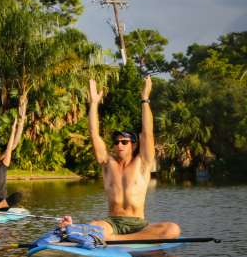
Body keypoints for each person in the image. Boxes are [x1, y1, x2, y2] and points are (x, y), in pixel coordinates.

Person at [58, 76, 180, 240]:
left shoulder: (142, 162)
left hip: (138, 224)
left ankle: (114, 239)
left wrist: (145, 99)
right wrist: (94, 103)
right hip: (112, 223)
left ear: (134, 145)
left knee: (173, 229)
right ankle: (88, 232)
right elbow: (94, 135)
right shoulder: (108, 163)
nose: (119, 145)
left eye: (124, 142)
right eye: (116, 142)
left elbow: (148, 132)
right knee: (95, 225)